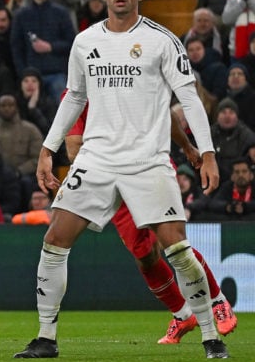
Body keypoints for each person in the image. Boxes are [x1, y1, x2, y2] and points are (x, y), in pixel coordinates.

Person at [15, 0, 229, 359]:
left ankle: (210, 335)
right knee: (55, 239)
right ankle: (46, 338)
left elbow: (188, 99)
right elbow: (75, 97)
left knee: (176, 249)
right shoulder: (85, 41)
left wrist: (208, 153)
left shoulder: (162, 41)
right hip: (96, 159)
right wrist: (48, 149)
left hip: (147, 160)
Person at [66, 103, 238, 344]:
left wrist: (187, 147)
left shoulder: (127, 74)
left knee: (174, 243)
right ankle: (182, 314)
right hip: (113, 182)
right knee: (144, 255)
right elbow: (73, 149)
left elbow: (162, 112)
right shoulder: (77, 94)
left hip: (150, 168)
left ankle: (218, 301)